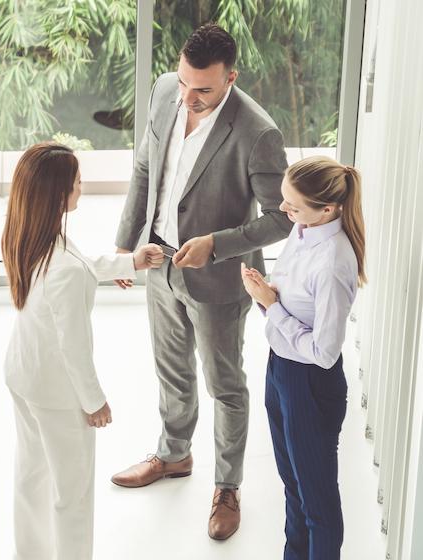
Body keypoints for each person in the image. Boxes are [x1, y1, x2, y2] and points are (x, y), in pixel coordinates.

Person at [110, 22, 294, 540]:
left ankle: (228, 487)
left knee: (224, 384)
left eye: (203, 91)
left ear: (231, 77)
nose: (187, 99)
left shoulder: (258, 132)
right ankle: (173, 456)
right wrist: (127, 245)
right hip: (158, 260)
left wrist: (216, 244)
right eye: (184, 84)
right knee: (171, 371)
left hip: (217, 278)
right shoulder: (166, 89)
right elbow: (146, 168)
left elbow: (280, 217)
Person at [1, 143, 165, 559]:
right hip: (57, 391)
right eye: (77, 182)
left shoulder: (27, 235)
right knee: (72, 492)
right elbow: (73, 346)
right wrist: (94, 402)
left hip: (23, 373)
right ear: (60, 195)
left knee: (31, 477)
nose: (81, 188)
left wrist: (128, 263)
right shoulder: (64, 266)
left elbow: (74, 267)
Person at [241, 156, 365, 560]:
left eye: (293, 205)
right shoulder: (302, 229)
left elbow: (325, 353)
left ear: (328, 209)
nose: (284, 211)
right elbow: (288, 298)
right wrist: (267, 295)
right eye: (285, 201)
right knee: (293, 487)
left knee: (318, 505)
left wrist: (270, 306)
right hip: (280, 369)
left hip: (310, 382)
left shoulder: (332, 262)